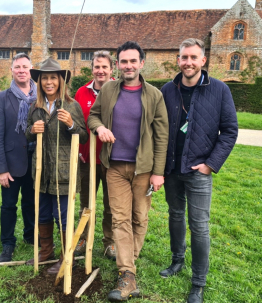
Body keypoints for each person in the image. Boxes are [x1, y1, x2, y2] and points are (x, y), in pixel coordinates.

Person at [88, 41, 169, 301]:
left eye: (133, 61)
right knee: (120, 219)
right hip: (114, 167)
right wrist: (99, 128)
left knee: (139, 218)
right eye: (124, 61)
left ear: (141, 63)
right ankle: (127, 274)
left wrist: (158, 172)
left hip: (143, 169)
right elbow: (93, 116)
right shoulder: (109, 89)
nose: (128, 66)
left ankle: (128, 263)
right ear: (118, 64)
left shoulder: (154, 95)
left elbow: (162, 136)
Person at [160, 38, 238, 303]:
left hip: (199, 170)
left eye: (193, 57)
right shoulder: (167, 90)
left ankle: (198, 282)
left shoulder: (220, 90)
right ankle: (177, 261)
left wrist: (211, 164)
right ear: (178, 60)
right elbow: (157, 129)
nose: (188, 62)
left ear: (203, 61)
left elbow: (229, 131)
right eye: (184, 57)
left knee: (200, 226)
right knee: (175, 215)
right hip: (172, 168)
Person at [25, 57, 88, 274]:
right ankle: (46, 252)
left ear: (61, 81)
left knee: (62, 216)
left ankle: (64, 255)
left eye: (53, 78)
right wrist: (33, 130)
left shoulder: (71, 105)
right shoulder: (36, 106)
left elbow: (84, 136)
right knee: (42, 213)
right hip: (42, 172)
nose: (49, 82)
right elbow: (26, 133)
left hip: (64, 172)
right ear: (39, 81)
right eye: (45, 78)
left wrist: (71, 124)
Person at [0, 53, 36, 262]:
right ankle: (8, 243)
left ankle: (31, 236)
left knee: (31, 202)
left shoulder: (41, 95)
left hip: (36, 160)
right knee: (9, 205)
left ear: (31, 69)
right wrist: (1, 169)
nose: (21, 70)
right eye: (17, 67)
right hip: (11, 161)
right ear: (12, 70)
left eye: (25, 67)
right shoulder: (1, 98)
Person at [74, 50, 116, 260]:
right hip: (87, 160)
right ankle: (83, 238)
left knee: (111, 204)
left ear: (111, 69)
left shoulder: (121, 90)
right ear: (92, 69)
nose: (100, 71)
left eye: (104, 67)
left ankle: (110, 242)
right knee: (86, 203)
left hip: (112, 160)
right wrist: (79, 152)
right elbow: (77, 125)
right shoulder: (81, 93)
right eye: (97, 67)